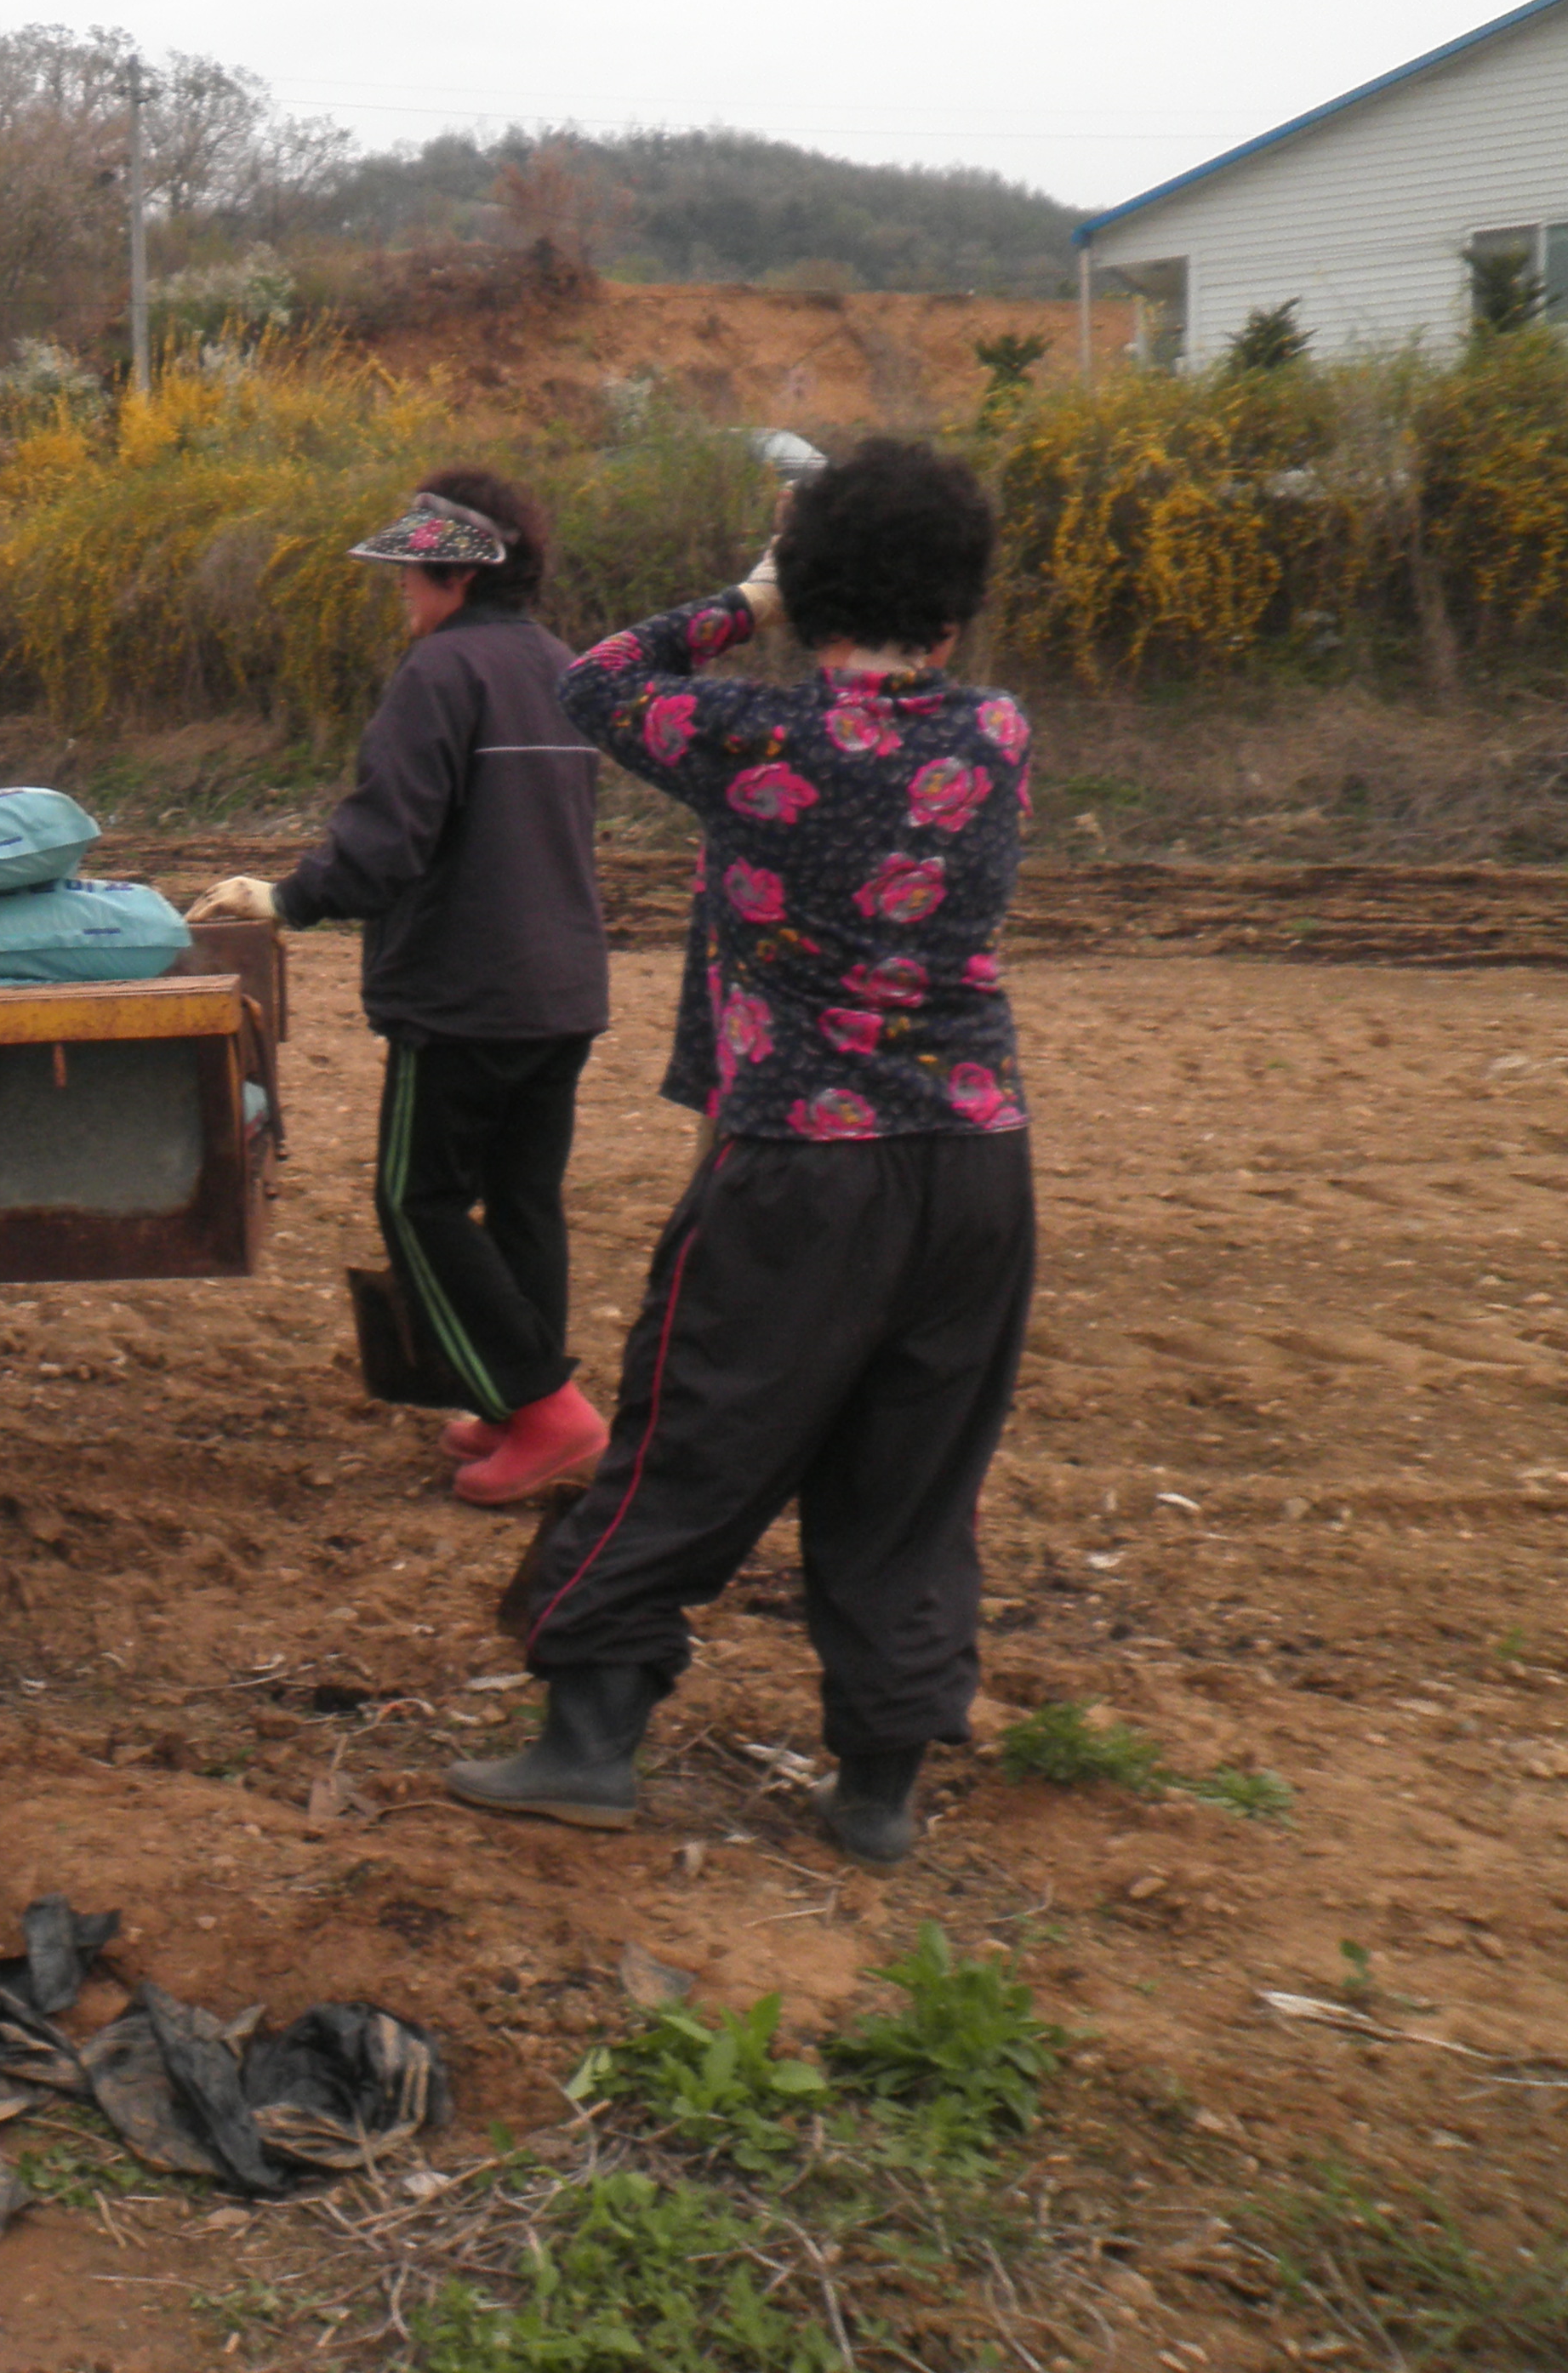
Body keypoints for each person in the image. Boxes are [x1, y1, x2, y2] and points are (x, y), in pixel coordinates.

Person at [448, 437, 1034, 1869]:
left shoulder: (751, 736)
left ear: (811, 588)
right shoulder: (997, 734)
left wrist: (749, 593)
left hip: (796, 1167)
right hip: (973, 1164)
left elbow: (589, 680)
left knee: (687, 1443)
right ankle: (876, 1789)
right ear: (954, 606)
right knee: (910, 1475)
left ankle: (587, 1743)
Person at [185, 471, 612, 1506]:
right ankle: (522, 1405)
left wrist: (284, 899)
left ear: (450, 571)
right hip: (562, 990)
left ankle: (548, 1411)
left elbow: (385, 844)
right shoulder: (560, 668)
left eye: (408, 574)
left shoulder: (440, 674)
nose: (401, 595)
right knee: (520, 1202)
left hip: (466, 998)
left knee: (414, 1198)